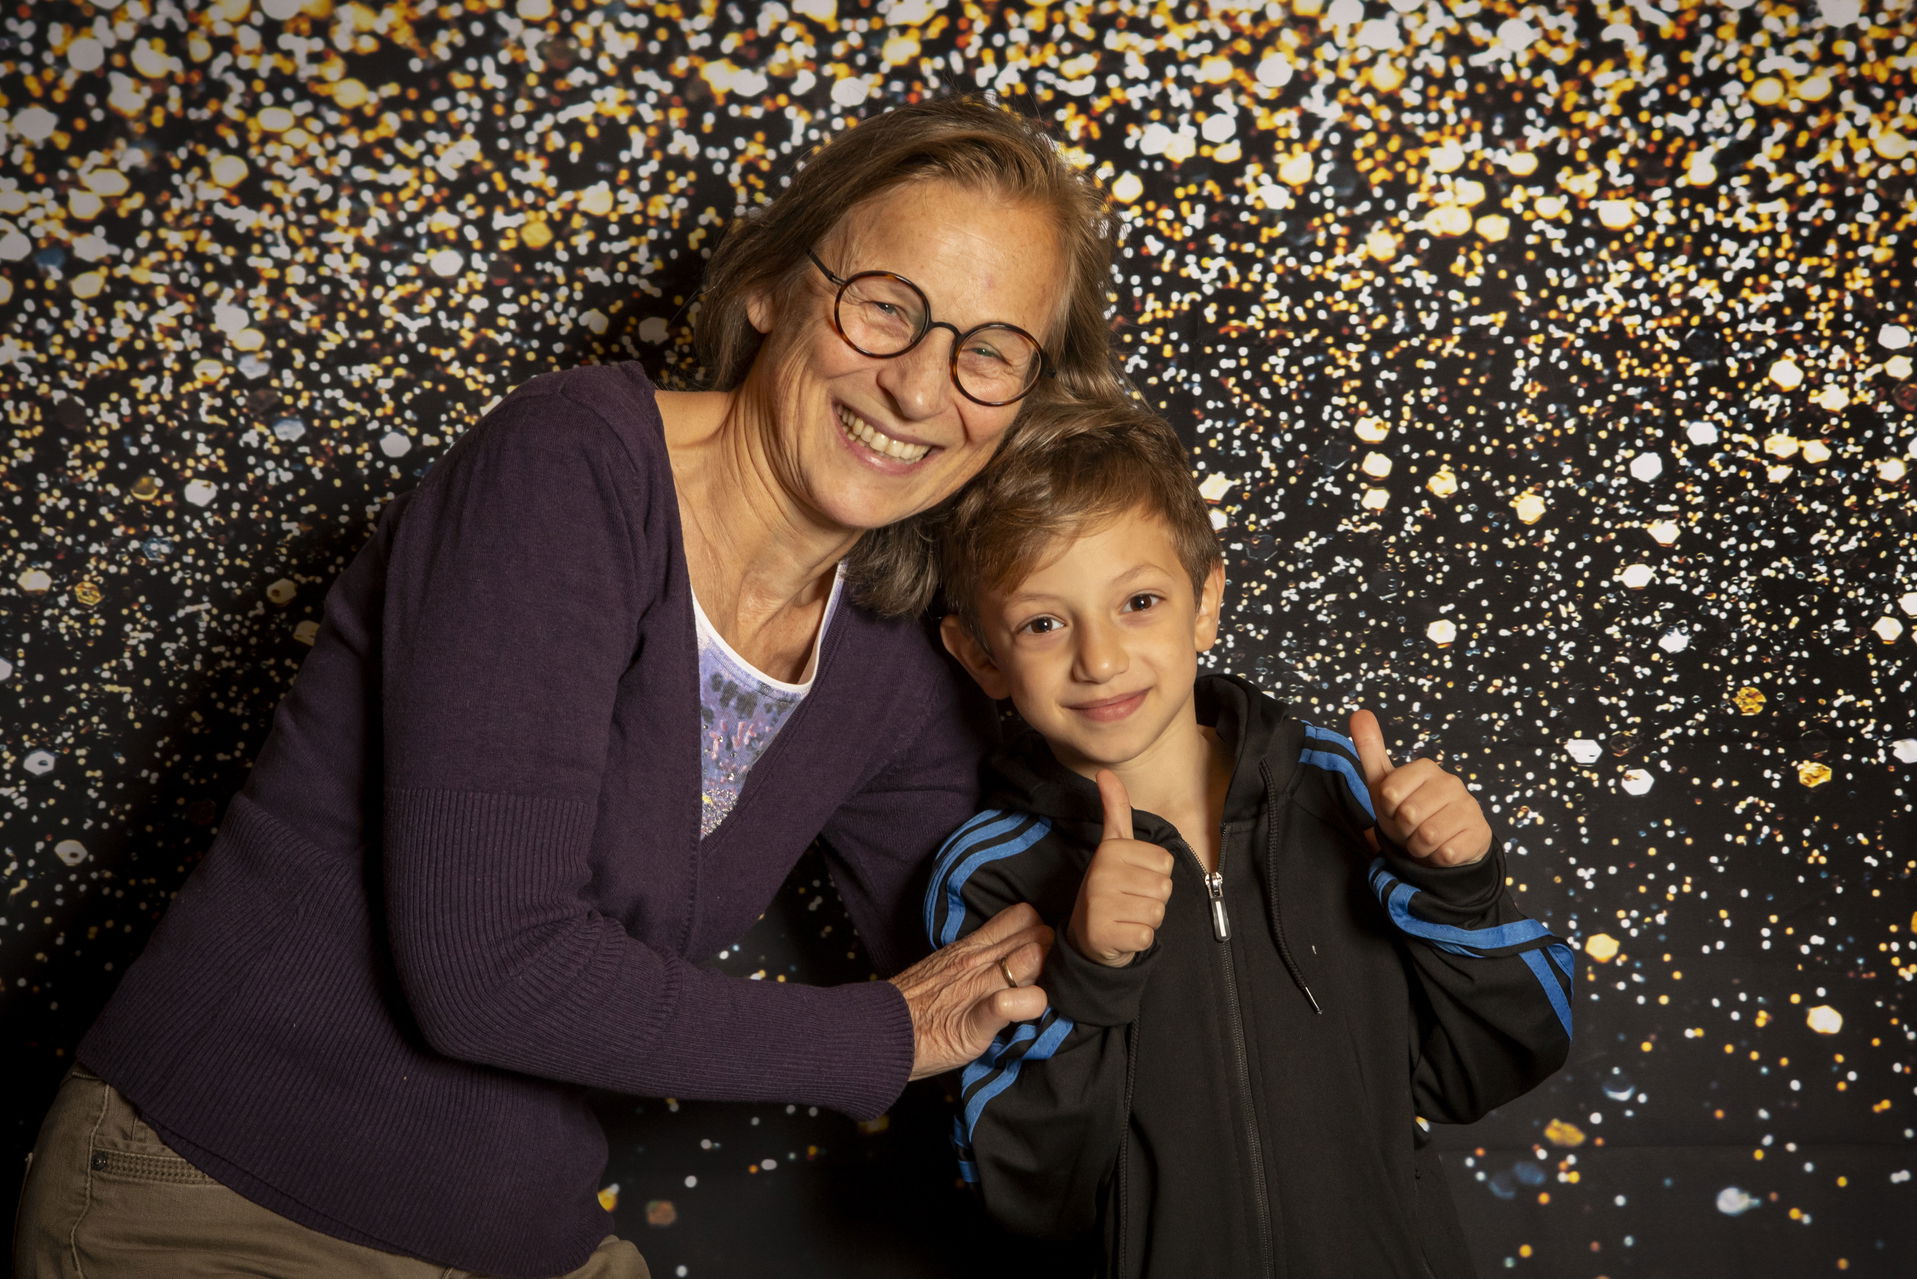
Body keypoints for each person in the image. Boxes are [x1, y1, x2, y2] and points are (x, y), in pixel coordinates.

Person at [14, 95, 1123, 1279]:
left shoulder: (895, 652)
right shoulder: (570, 468)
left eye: (989, 351)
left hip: (506, 1235)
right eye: (886, 307)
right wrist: (886, 1033)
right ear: (769, 286)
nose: (918, 387)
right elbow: (490, 968)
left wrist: (1288, 836)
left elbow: (1023, 925)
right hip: (218, 1203)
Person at [927, 397, 1575, 1278]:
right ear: (981, 657)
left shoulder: (1346, 794)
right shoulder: (992, 873)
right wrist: (1088, 975)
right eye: (1044, 622)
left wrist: (1459, 887)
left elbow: (1494, 1063)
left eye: (1140, 601)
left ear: (1205, 603)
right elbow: (1026, 1192)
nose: (1101, 658)